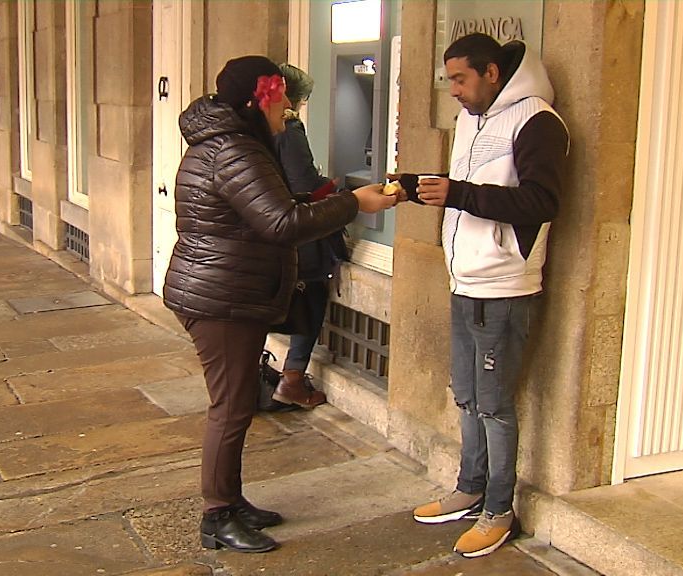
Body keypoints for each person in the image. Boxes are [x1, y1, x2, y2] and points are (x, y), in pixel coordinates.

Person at [163, 55, 396, 554]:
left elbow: (274, 212)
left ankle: (229, 498)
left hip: (224, 290)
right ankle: (217, 515)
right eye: (282, 96)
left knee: (237, 404)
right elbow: (282, 222)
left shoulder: (229, 145)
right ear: (259, 98)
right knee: (231, 407)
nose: (289, 106)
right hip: (221, 297)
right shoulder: (234, 150)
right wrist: (355, 203)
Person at [408, 33, 569, 558]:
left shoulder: (537, 120)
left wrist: (458, 195)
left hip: (504, 286)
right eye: (449, 78)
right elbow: (468, 189)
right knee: (467, 395)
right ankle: (470, 487)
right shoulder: (470, 119)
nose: (452, 89)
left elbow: (541, 201)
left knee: (496, 405)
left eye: (460, 78)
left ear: (491, 73)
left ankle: (500, 511)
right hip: (465, 279)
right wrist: (422, 187)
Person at [269, 63, 344, 410]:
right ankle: (293, 380)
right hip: (299, 231)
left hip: (267, 228)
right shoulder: (289, 127)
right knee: (309, 298)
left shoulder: (254, 129)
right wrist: (335, 190)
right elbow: (302, 185)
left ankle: (256, 379)